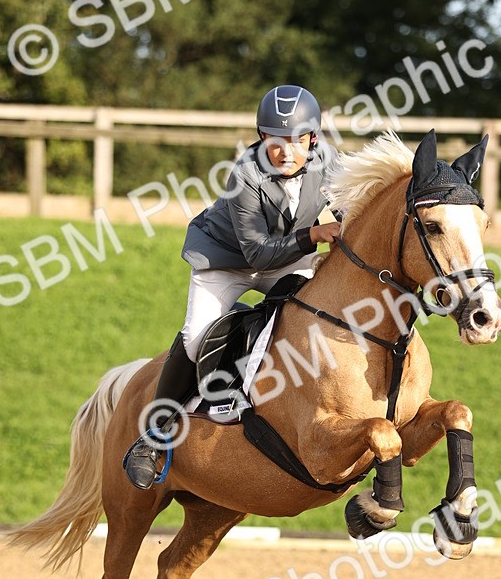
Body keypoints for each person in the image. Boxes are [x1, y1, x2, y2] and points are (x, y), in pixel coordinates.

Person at [123, 83, 342, 489]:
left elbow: (351, 207)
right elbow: (258, 255)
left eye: (297, 139)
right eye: (275, 140)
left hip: (288, 257)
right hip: (227, 261)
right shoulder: (244, 174)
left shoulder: (328, 161)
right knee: (194, 337)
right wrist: (316, 235)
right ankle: (152, 437)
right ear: (262, 138)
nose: (286, 151)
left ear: (313, 138)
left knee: (320, 316)